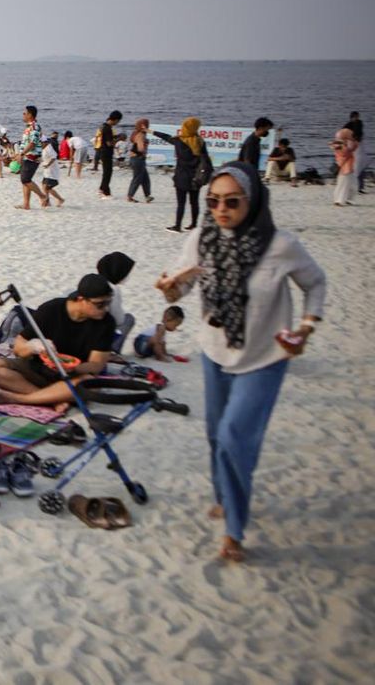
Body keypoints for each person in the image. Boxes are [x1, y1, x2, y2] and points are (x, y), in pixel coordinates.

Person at [155, 161, 326, 562]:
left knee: (235, 437)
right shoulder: (202, 238)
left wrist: (305, 327)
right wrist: (169, 288)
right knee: (217, 434)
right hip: (216, 350)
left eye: (232, 201)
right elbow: (180, 289)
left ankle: (234, 528)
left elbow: (315, 282)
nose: (221, 210)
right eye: (213, 201)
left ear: (253, 201)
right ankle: (224, 494)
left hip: (265, 356)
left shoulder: (280, 245)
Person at [0, 274, 115, 410]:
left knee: (89, 383)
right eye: (100, 304)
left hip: (71, 377)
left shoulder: (106, 323)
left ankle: (22, 398)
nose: (106, 309)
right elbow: (18, 347)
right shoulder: (52, 309)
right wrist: (32, 347)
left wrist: (72, 368)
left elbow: (96, 365)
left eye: (108, 303)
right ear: (81, 299)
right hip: (38, 368)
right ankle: (51, 400)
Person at [152, 118, 212, 233]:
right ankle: (194, 224)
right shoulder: (200, 141)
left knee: (181, 203)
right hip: (196, 177)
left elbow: (166, 137)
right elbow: (206, 159)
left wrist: (151, 131)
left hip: (181, 176)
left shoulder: (179, 141)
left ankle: (178, 225)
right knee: (194, 202)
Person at [96, 251, 135, 352]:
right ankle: (113, 350)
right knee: (129, 318)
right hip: (101, 338)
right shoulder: (113, 289)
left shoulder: (93, 282)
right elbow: (119, 320)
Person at [14, 105, 48, 210]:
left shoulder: (34, 127)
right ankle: (26, 204)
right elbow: (26, 142)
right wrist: (19, 154)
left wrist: (22, 154)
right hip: (27, 156)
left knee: (25, 179)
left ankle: (43, 196)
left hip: (32, 157)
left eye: (24, 113)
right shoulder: (29, 127)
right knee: (25, 181)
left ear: (30, 115)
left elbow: (33, 143)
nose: (23, 115)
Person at [330, 127, 359, 206]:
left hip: (345, 166)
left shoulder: (338, 144)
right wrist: (350, 142)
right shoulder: (342, 146)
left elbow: (354, 147)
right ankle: (340, 200)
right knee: (344, 184)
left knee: (350, 184)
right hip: (346, 167)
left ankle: (346, 199)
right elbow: (348, 151)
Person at [97, 110, 122, 198]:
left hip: (103, 151)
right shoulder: (108, 128)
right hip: (106, 152)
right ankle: (105, 192)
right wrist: (119, 139)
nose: (117, 123)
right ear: (116, 119)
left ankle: (102, 189)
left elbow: (107, 138)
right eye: (118, 121)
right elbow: (109, 143)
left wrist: (116, 137)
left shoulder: (104, 126)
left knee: (106, 172)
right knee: (107, 173)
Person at [127, 118, 153, 202]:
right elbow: (140, 148)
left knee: (145, 178)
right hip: (138, 158)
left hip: (135, 158)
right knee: (137, 178)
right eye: (147, 124)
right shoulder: (141, 135)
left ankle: (147, 196)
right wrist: (145, 148)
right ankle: (130, 196)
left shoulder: (136, 133)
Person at [38, 132, 65, 207]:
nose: (39, 145)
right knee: (44, 186)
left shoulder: (48, 148)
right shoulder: (44, 148)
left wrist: (48, 165)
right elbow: (45, 157)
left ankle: (60, 199)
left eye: (40, 143)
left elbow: (54, 157)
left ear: (44, 142)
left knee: (47, 188)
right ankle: (48, 202)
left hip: (52, 171)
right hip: (47, 171)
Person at [343, 111, 366, 192]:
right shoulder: (349, 125)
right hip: (352, 147)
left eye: (357, 117)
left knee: (360, 166)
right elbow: (343, 133)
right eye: (355, 117)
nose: (357, 118)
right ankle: (353, 186)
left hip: (358, 147)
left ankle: (360, 187)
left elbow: (358, 134)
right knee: (353, 167)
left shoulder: (359, 123)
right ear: (352, 117)